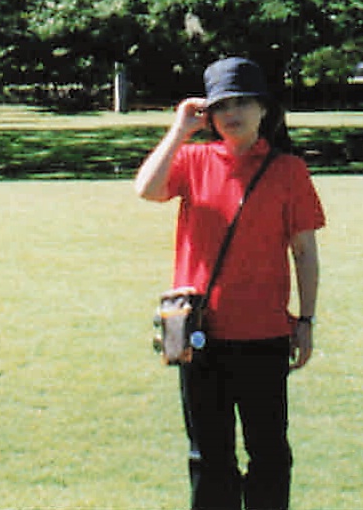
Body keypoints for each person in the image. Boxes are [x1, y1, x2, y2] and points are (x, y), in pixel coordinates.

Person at [135, 57, 325, 510]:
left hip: (265, 336)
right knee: (208, 456)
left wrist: (306, 321)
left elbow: (304, 252)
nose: (232, 113)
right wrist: (180, 129)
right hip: (200, 336)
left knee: (269, 453)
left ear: (264, 109)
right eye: (221, 105)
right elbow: (147, 188)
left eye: (242, 102)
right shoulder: (193, 160)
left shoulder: (289, 171)